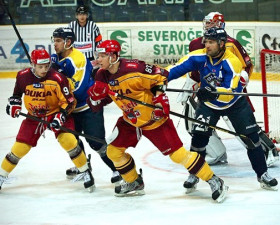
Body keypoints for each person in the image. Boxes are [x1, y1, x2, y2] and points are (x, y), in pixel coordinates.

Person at [86, 39, 229, 203]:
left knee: (178, 156)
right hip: (130, 121)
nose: (99, 59)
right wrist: (96, 97)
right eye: (99, 55)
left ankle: (214, 180)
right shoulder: (101, 74)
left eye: (103, 55)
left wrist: (161, 102)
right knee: (113, 152)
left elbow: (160, 77)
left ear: (113, 56)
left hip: (153, 120)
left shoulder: (135, 69)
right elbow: (97, 105)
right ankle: (134, 182)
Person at [177, 11, 279, 190]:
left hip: (232, 97)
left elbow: (246, 65)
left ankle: (264, 167)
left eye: (211, 23)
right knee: (199, 136)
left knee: (248, 136)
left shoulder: (231, 44)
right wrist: (189, 86)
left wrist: (240, 82)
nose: (207, 27)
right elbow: (194, 69)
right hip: (208, 98)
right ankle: (195, 173)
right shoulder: (196, 44)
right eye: (206, 23)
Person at [0, 49, 95, 192]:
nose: (44, 70)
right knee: (20, 147)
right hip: (34, 116)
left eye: (46, 66)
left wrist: (61, 116)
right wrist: (14, 105)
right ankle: (2, 176)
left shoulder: (57, 78)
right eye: (40, 67)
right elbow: (16, 95)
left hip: (55, 112)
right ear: (32, 64)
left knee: (68, 140)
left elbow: (69, 102)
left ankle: (85, 172)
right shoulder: (22, 76)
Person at [50, 27, 121, 184]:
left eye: (58, 41)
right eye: (54, 40)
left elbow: (79, 88)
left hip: (88, 107)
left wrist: (57, 80)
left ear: (68, 42)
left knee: (97, 143)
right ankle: (83, 166)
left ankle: (118, 169)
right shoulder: (56, 58)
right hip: (69, 110)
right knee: (72, 140)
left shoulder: (77, 59)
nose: (55, 44)